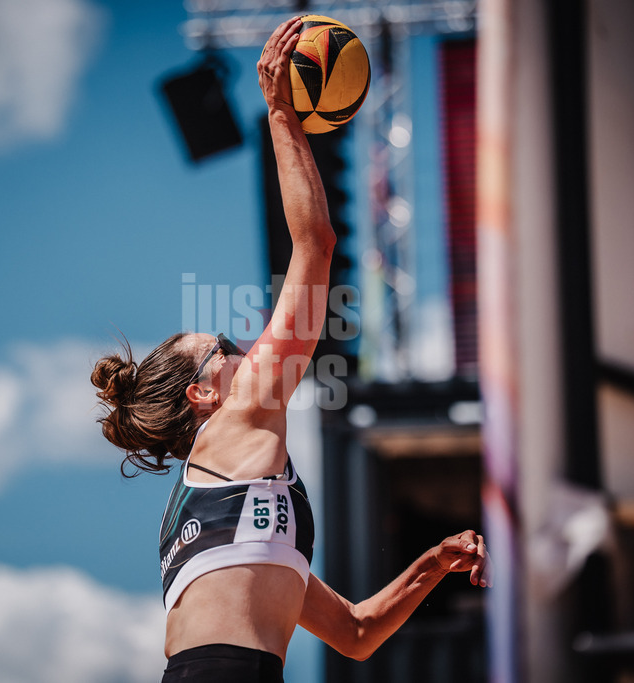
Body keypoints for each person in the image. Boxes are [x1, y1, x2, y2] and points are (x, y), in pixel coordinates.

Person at [91, 16, 489, 682]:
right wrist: (282, 116)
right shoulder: (238, 423)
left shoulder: (248, 501)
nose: (239, 345)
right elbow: (317, 248)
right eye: (220, 347)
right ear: (204, 393)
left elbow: (357, 633)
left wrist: (433, 562)